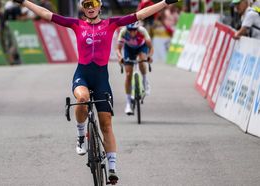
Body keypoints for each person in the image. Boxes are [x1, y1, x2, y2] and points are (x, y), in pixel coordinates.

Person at [12, 0, 178, 184]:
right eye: (86, 4)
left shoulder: (111, 24)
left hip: (101, 80)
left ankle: (112, 167)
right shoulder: (76, 24)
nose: (90, 8)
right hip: (82, 75)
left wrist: (165, 2)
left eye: (94, 4)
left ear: (100, 7)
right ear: (83, 8)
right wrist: (25, 2)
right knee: (82, 98)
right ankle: (81, 136)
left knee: (106, 125)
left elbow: (141, 14)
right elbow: (46, 13)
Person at [116, 21, 154, 115]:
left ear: (137, 29)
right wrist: (120, 57)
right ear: (127, 29)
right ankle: (128, 103)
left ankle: (145, 81)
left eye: (134, 30)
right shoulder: (123, 32)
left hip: (141, 47)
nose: (132, 32)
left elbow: (151, 48)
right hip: (129, 49)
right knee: (128, 74)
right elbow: (118, 49)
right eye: (130, 30)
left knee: (141, 60)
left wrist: (149, 57)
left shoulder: (142, 31)